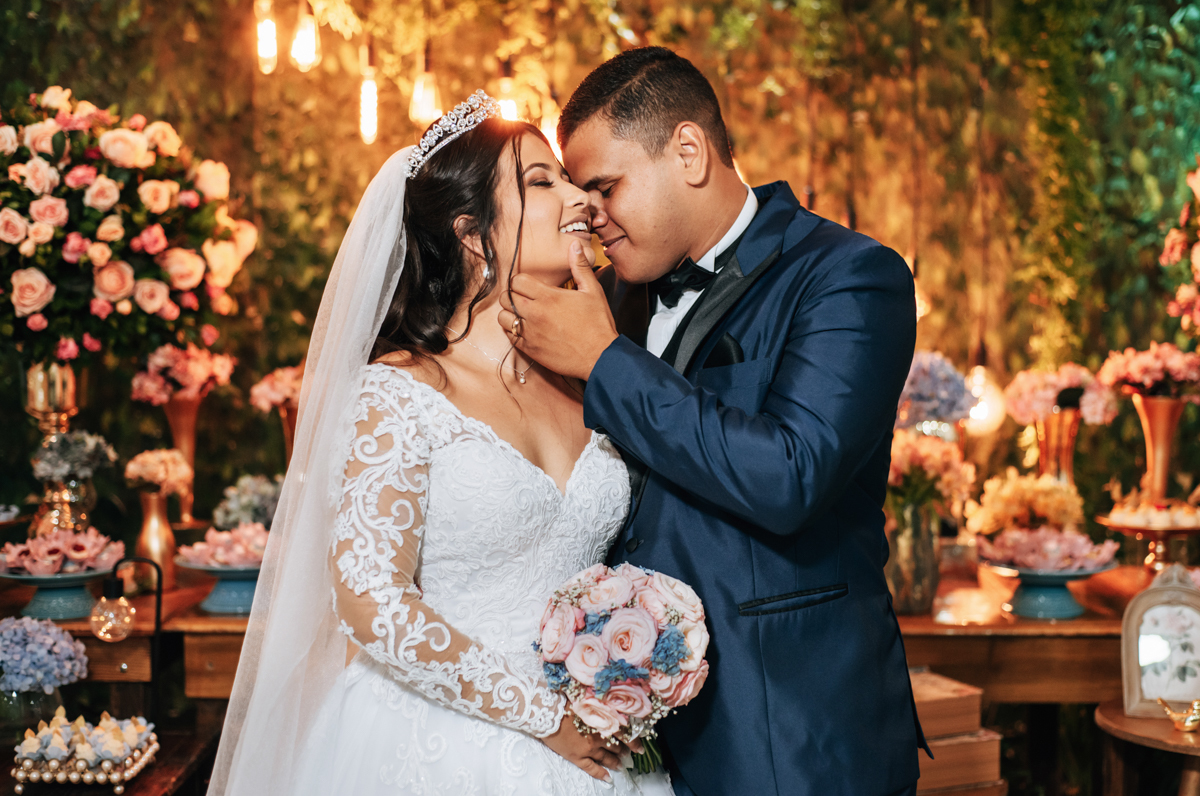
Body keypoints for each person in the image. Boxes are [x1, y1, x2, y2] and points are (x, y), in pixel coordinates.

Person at [208, 92, 675, 795]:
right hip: (436, 747)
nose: (581, 198)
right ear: (472, 233)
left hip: (598, 741)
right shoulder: (397, 394)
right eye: (544, 181)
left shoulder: (596, 382)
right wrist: (542, 715)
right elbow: (371, 603)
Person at [497, 48, 929, 796]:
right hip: (621, 737)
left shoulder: (851, 277)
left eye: (604, 187)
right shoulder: (604, 300)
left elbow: (789, 475)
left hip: (791, 730)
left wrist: (605, 362)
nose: (588, 215)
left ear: (688, 152)